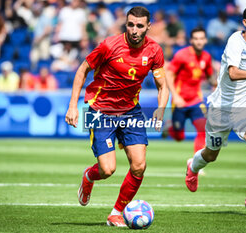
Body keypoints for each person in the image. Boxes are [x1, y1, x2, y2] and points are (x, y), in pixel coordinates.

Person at [65, 6, 169, 227]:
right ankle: (89, 176)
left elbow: (163, 85)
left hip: (131, 111)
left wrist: (161, 108)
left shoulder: (154, 51)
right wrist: (73, 106)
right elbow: (82, 69)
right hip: (99, 110)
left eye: (140, 26)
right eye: (130, 24)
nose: (134, 30)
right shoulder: (109, 45)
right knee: (107, 170)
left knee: (139, 165)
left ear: (148, 27)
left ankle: (116, 213)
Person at [185, 4, 246, 208]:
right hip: (221, 106)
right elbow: (234, 73)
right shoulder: (235, 41)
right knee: (211, 154)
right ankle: (192, 166)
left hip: (245, 105)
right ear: (245, 22)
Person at [164, 28, 215, 153]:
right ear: (191, 40)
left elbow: (211, 78)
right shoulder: (182, 55)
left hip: (196, 100)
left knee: (203, 130)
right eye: (196, 39)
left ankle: (197, 165)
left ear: (205, 40)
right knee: (179, 137)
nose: (199, 42)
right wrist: (175, 96)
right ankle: (170, 127)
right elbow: (168, 74)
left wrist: (216, 87)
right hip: (180, 101)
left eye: (201, 39)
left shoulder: (206, 57)